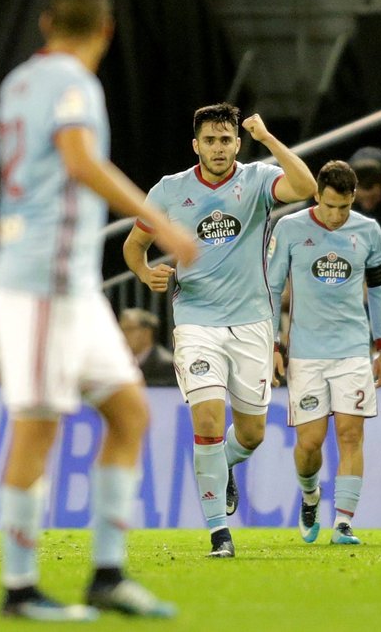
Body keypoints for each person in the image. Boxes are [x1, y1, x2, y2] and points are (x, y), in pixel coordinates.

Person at [0, 0, 197, 621]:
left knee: (130, 412)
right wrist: (159, 221)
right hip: (40, 281)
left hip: (68, 284)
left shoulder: (18, 81)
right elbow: (79, 158)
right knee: (38, 428)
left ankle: (108, 574)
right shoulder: (76, 85)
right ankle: (19, 588)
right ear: (106, 30)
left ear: (48, 22)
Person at [123, 102, 316, 558]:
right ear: (196, 145)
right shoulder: (169, 191)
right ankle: (218, 534)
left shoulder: (256, 181)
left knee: (251, 434)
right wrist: (143, 271)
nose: (218, 148)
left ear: (237, 143)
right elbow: (135, 246)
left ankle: (224, 465)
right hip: (195, 321)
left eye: (226, 139)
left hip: (252, 322)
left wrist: (268, 139)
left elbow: (306, 185)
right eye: (209, 140)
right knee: (207, 422)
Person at [265, 160, 381, 546]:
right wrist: (272, 344)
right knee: (309, 444)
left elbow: (379, 291)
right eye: (330, 206)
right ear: (317, 194)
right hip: (305, 352)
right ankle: (309, 495)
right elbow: (271, 290)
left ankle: (343, 522)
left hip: (353, 349)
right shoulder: (289, 228)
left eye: (345, 207)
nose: (337, 216)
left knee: (351, 435)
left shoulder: (368, 232)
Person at [118, 308, 175, 385]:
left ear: (146, 332)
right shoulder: (118, 362)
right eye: (121, 330)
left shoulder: (167, 365)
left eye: (128, 329)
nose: (122, 334)